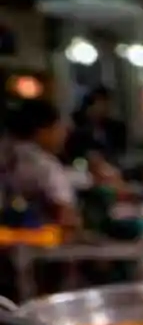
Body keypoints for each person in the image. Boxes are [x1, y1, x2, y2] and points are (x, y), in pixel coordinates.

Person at [0, 97, 78, 230]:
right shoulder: (45, 166)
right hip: (38, 241)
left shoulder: (6, 153)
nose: (63, 135)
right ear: (43, 131)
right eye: (58, 129)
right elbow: (66, 216)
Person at [65, 86, 127, 165]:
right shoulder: (78, 126)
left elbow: (120, 153)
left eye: (107, 103)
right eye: (100, 103)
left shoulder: (118, 127)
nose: (104, 108)